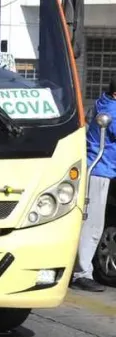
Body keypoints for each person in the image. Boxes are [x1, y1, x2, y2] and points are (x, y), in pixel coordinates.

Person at [71, 79, 116, 292]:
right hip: (99, 171)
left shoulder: (102, 103)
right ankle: (81, 273)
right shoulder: (113, 111)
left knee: (88, 223)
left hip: (96, 168)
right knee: (93, 226)